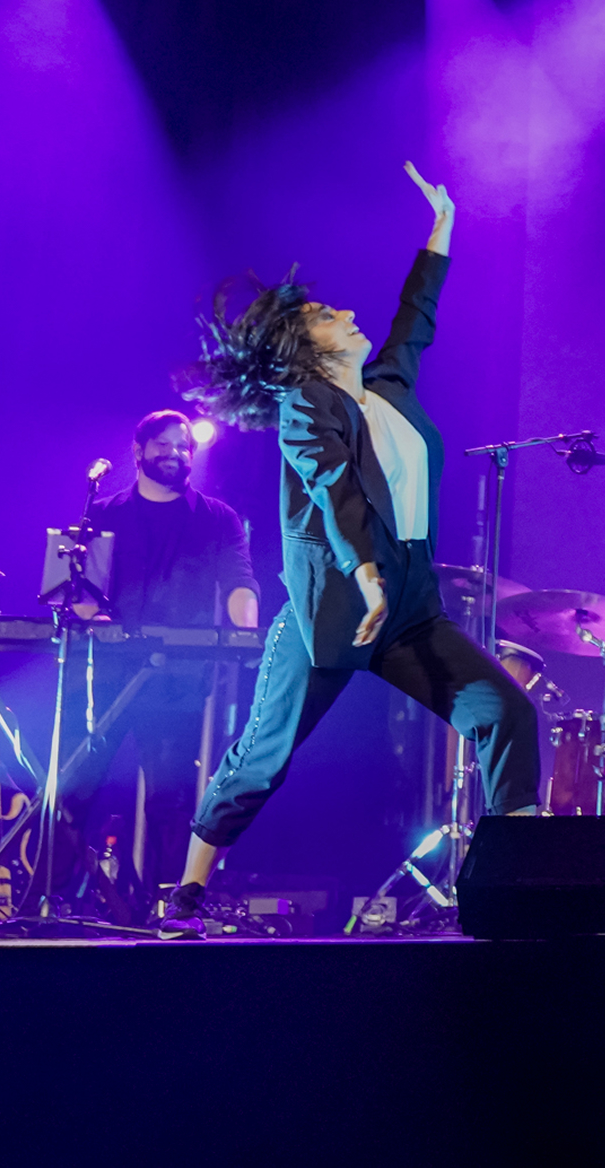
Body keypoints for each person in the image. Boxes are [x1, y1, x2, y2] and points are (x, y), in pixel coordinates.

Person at [172, 163, 542, 935]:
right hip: (333, 610)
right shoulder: (306, 404)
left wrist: (441, 228)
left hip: (409, 607)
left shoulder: (389, 387)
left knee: (506, 712)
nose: (344, 311)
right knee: (264, 758)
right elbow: (333, 486)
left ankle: (520, 880)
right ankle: (187, 894)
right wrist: (366, 573)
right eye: (326, 315)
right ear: (305, 349)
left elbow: (417, 315)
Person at [59, 410, 259, 915]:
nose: (175, 454)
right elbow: (78, 592)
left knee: (170, 802)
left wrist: (247, 635)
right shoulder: (102, 513)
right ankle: (51, 900)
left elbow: (239, 582)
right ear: (139, 451)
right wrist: (95, 619)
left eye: (183, 446)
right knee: (74, 791)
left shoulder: (217, 518)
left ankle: (168, 909)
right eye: (164, 445)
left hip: (179, 681)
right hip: (104, 676)